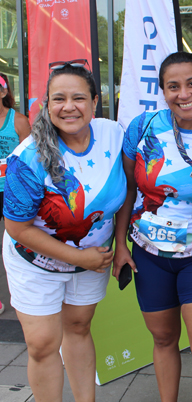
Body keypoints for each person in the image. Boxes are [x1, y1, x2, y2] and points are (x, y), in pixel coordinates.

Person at [113, 51, 192, 402]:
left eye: (191, 84)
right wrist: (120, 245)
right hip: (149, 253)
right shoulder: (142, 127)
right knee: (164, 339)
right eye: (173, 87)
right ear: (163, 91)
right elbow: (128, 188)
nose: (184, 94)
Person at [2, 60, 126, 402]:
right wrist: (78, 257)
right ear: (46, 104)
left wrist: (118, 245)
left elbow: (127, 192)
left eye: (78, 98)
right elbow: (17, 228)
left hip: (91, 259)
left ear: (95, 101)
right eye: (59, 99)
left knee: (79, 328)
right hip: (35, 262)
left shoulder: (113, 134)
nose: (69, 107)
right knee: (42, 344)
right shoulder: (27, 158)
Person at [0, 72, 30, 316]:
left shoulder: (18, 120)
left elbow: (29, 158)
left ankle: (25, 293)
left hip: (12, 190)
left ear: (3, 92)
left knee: (18, 240)